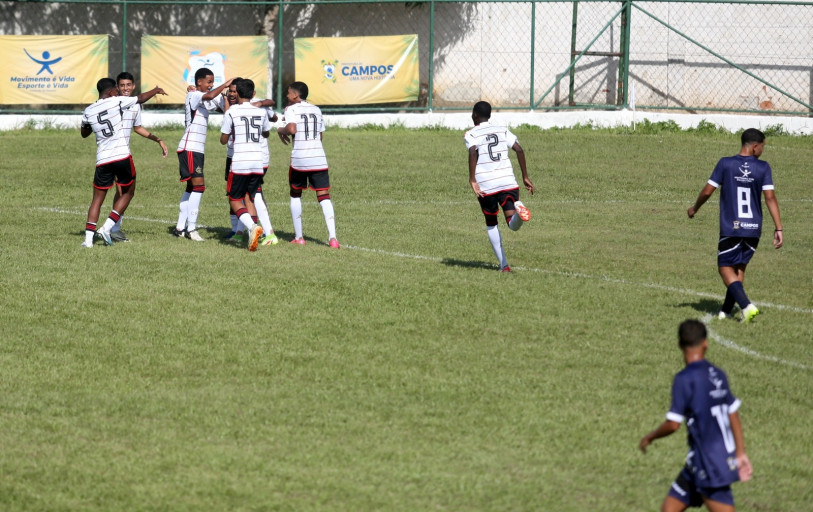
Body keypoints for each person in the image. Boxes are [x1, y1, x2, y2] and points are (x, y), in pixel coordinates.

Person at [639, 319, 753, 512]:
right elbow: (733, 413)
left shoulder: (684, 379)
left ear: (679, 345)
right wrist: (740, 452)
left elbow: (673, 424)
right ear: (706, 343)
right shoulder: (718, 373)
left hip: (710, 464)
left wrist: (650, 436)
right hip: (697, 462)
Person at [687, 128, 783, 322]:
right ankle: (726, 310)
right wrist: (778, 227)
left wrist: (695, 208)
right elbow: (770, 198)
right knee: (739, 268)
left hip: (732, 226)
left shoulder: (726, 164)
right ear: (755, 146)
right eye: (763, 147)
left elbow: (707, 191)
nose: (763, 150)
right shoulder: (763, 168)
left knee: (724, 267)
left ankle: (746, 306)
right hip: (754, 229)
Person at [80, 78, 166, 247]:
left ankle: (88, 241)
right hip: (121, 156)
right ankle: (108, 227)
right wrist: (155, 90)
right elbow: (140, 98)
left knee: (97, 200)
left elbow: (84, 133)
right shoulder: (115, 101)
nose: (119, 92)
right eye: (116, 90)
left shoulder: (88, 110)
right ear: (112, 91)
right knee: (128, 191)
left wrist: (92, 124)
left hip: (102, 159)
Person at [464, 100, 535, 272]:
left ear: (474, 115)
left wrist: (473, 180)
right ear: (490, 115)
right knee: (512, 223)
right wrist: (525, 176)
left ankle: (504, 265)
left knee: (491, 223)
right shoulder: (501, 129)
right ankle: (519, 211)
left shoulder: (471, 134)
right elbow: (519, 150)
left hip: (486, 185)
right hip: (508, 181)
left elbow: (473, 151)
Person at [107, 71, 168, 242]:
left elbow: (137, 127)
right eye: (122, 85)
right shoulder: (114, 103)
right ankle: (112, 229)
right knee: (123, 191)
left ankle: (112, 227)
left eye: (128, 85)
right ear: (117, 88)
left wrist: (158, 139)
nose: (125, 88)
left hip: (124, 152)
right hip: (113, 153)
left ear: (133, 86)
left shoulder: (134, 105)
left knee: (122, 191)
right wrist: (155, 90)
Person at [277, 81, 339, 248]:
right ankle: (333, 238)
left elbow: (291, 129)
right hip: (319, 157)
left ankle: (299, 237)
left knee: (295, 194)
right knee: (323, 196)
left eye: (289, 92)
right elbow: (320, 136)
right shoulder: (316, 109)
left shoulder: (291, 109)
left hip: (300, 159)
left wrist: (280, 130)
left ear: (296, 95)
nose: (287, 95)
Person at [174, 68, 233, 241]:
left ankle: (179, 227)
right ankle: (191, 229)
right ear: (199, 82)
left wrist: (226, 97)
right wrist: (224, 85)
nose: (211, 85)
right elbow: (207, 96)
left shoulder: (207, 96)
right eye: (209, 82)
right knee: (199, 187)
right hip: (189, 147)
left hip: (196, 149)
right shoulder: (194, 95)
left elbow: (227, 112)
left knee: (191, 187)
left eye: (213, 82)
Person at [223, 78, 279, 246]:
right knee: (250, 196)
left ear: (237, 93)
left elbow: (223, 139)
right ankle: (244, 233)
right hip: (257, 160)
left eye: (234, 91)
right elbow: (268, 129)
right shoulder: (261, 111)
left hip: (241, 160)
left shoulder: (233, 111)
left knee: (238, 198)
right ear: (252, 93)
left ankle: (263, 231)